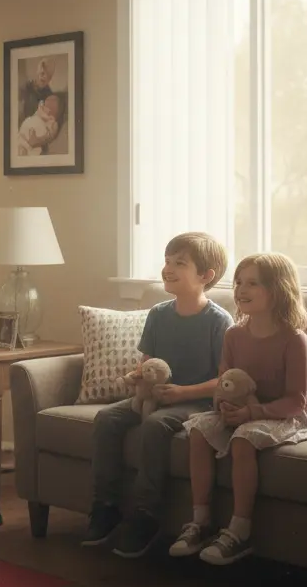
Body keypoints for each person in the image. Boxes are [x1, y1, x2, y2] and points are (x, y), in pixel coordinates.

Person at [84, 232, 233, 558]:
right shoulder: (158, 314)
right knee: (107, 417)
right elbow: (147, 363)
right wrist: (138, 378)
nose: (168, 268)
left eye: (180, 263)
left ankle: (145, 515)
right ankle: (106, 505)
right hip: (156, 395)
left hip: (196, 401)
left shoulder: (219, 322)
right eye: (167, 261)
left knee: (154, 425)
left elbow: (224, 380)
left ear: (205, 276)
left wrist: (182, 393)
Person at [171, 252, 307, 565]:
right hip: (239, 410)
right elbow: (224, 382)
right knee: (198, 432)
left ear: (278, 289)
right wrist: (223, 405)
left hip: (282, 414)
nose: (241, 289)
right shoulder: (234, 335)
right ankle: (200, 521)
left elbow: (297, 400)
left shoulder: (295, 340)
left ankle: (240, 531)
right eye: (239, 282)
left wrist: (251, 414)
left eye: (252, 283)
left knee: (243, 439)